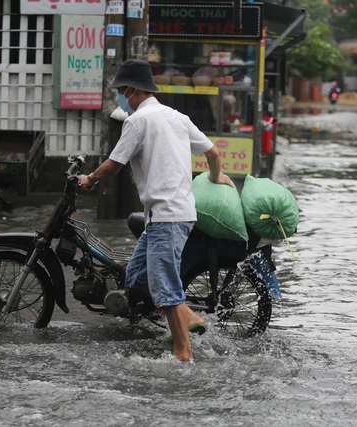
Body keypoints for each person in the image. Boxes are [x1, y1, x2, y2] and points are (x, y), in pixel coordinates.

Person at [78, 59, 234, 362]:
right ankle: (192, 320)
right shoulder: (177, 117)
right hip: (176, 214)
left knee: (164, 287)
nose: (118, 97)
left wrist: (90, 179)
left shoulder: (137, 121)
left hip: (167, 216)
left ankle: (183, 352)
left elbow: (113, 165)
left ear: (133, 89)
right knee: (136, 278)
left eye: (121, 91)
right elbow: (213, 153)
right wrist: (216, 177)